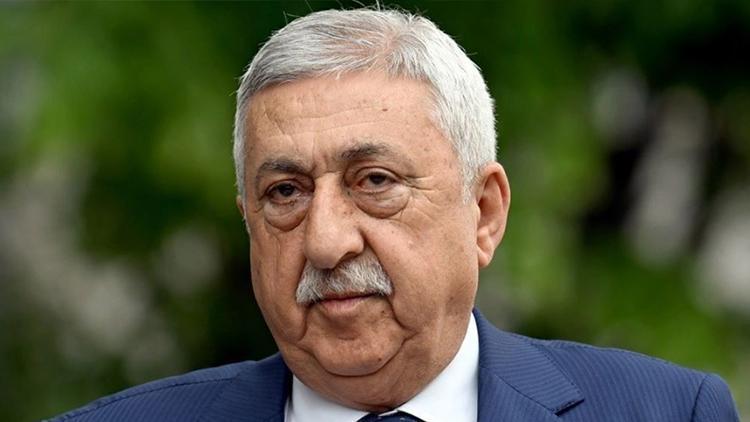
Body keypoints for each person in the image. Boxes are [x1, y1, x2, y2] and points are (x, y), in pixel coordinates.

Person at [50, 7, 739, 422]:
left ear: (484, 214)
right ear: (249, 222)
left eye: (374, 181)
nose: (325, 241)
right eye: (285, 193)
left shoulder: (666, 413)